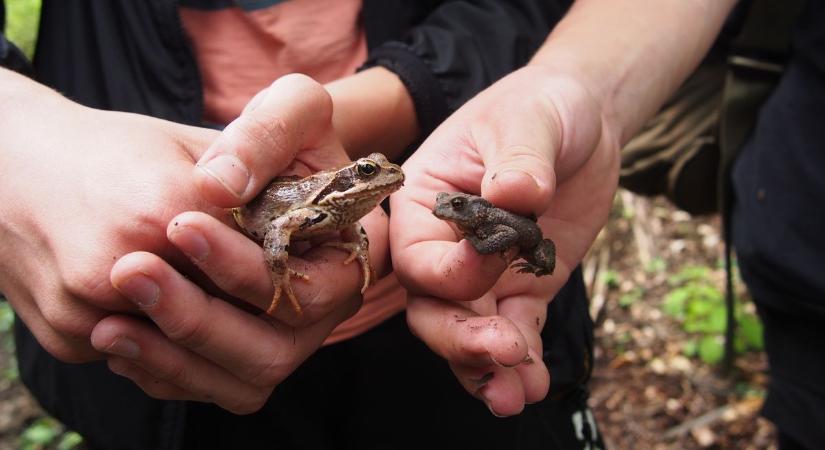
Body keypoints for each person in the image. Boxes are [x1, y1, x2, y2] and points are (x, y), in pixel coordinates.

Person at [1, 1, 602, 449]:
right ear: (351, 177)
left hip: (433, 322)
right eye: (369, 173)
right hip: (170, 330)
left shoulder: (358, 207)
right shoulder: (328, 201)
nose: (380, 180)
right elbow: (279, 230)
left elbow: (355, 227)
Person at [394, 0, 824, 449]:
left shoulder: (485, 218)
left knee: (539, 255)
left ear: (471, 207)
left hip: (536, 238)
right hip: (801, 275)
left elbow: (510, 236)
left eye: (456, 205)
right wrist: (581, 88)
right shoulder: (479, 212)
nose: (449, 209)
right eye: (449, 206)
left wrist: (494, 252)